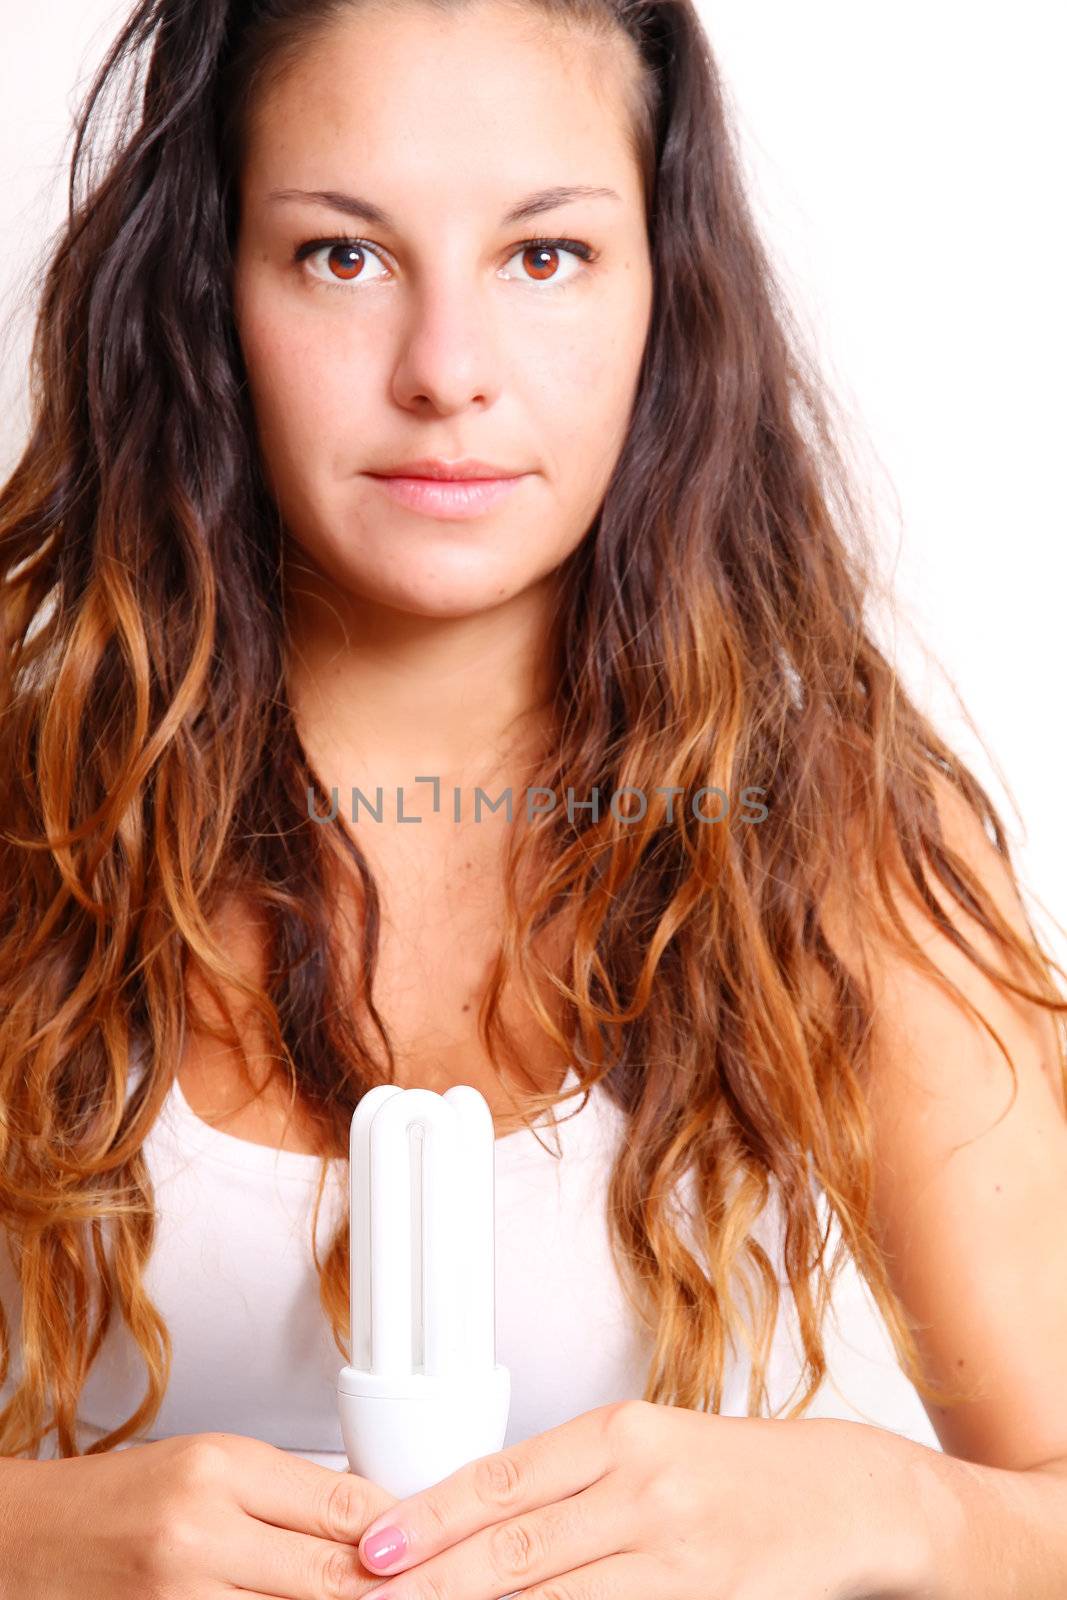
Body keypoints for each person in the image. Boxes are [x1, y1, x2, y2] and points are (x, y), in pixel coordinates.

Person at [2, 0, 1066, 1595]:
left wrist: (888, 1510)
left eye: (544, 255)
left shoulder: (840, 850)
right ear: (208, 291)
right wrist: (28, 1538)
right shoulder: (29, 839)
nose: (447, 374)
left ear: (665, 295)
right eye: (341, 256)